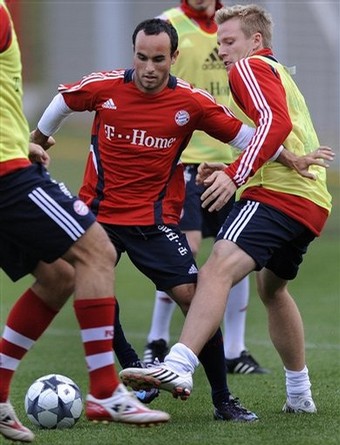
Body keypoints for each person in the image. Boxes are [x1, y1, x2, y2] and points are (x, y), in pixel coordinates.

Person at [30, 18, 332, 424]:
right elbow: (65, 99)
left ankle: (223, 400)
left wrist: (289, 157)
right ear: (132, 54)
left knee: (197, 295)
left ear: (174, 58)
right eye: (141, 57)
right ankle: (136, 373)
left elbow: (247, 136)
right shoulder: (105, 87)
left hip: (153, 220)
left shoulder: (192, 101)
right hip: (97, 213)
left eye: (159, 59)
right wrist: (41, 136)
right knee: (87, 283)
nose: (149, 67)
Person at [119, 5, 333, 415]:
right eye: (219, 43)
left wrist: (236, 174)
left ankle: (179, 364)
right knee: (273, 289)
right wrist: (271, 162)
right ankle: (299, 393)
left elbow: (275, 122)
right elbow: (275, 127)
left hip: (279, 195)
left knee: (217, 263)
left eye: (229, 41)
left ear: (256, 41)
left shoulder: (248, 68)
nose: (222, 51)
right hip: (312, 198)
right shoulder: (277, 72)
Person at [0, 4, 170, 443]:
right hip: (5, 177)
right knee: (97, 250)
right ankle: (104, 390)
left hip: (12, 160)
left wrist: (22, 143)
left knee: (59, 275)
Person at [143, 0, 269, 375]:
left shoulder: (236, 25)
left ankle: (235, 350)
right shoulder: (169, 23)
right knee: (186, 246)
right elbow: (151, 83)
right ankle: (157, 339)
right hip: (184, 161)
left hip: (232, 162)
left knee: (236, 250)